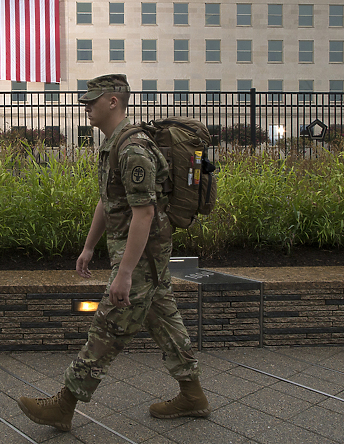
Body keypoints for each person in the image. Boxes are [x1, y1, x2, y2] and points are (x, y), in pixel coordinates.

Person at [17, 74, 210, 431]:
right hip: (140, 254)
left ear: (113, 101)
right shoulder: (115, 144)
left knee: (108, 325)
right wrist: (89, 247)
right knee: (163, 318)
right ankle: (192, 395)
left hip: (141, 256)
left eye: (93, 100)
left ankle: (65, 403)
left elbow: (145, 213)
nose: (86, 106)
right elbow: (108, 201)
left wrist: (123, 273)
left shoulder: (133, 148)